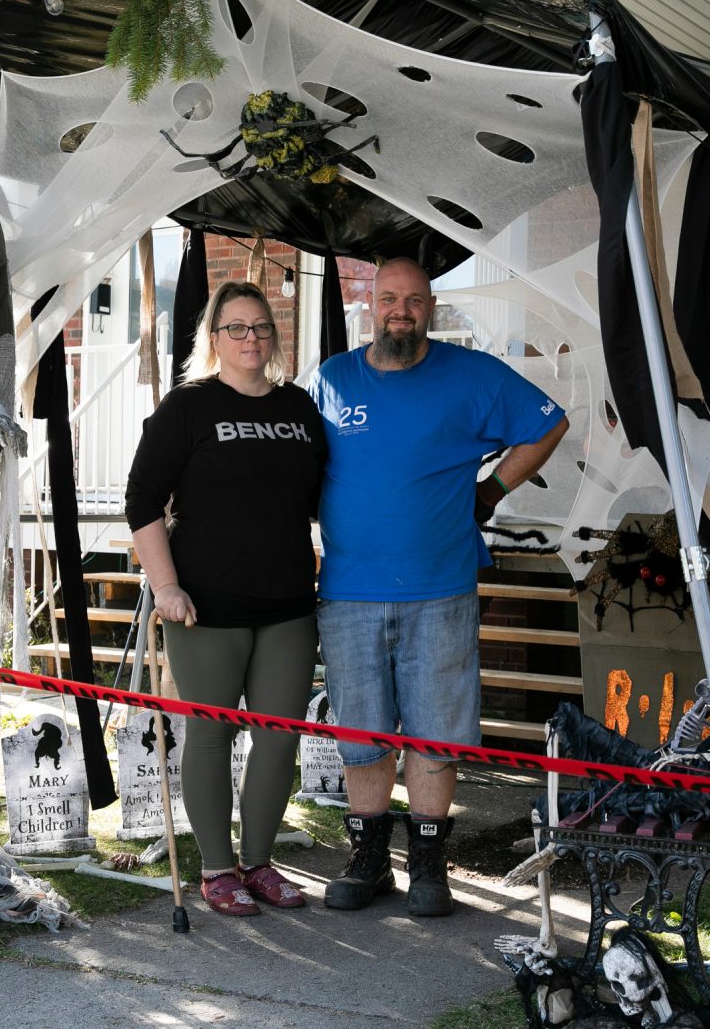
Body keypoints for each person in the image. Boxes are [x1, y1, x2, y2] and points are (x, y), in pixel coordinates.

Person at [308, 257, 569, 916]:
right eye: (389, 298)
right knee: (363, 731)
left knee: (437, 728)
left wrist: (492, 490)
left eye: (415, 300)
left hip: (441, 585)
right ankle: (368, 858)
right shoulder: (332, 378)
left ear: (431, 306)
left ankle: (428, 862)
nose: (401, 310)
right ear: (371, 303)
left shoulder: (470, 375)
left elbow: (548, 424)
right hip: (348, 589)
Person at [125, 280, 326, 917]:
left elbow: (325, 496)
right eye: (235, 328)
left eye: (260, 326)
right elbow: (141, 503)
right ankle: (217, 869)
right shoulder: (188, 408)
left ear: (274, 334)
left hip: (289, 604)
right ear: (214, 339)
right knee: (210, 736)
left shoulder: (299, 408)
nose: (250, 338)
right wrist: (166, 586)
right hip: (205, 605)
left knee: (278, 738)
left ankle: (260, 862)